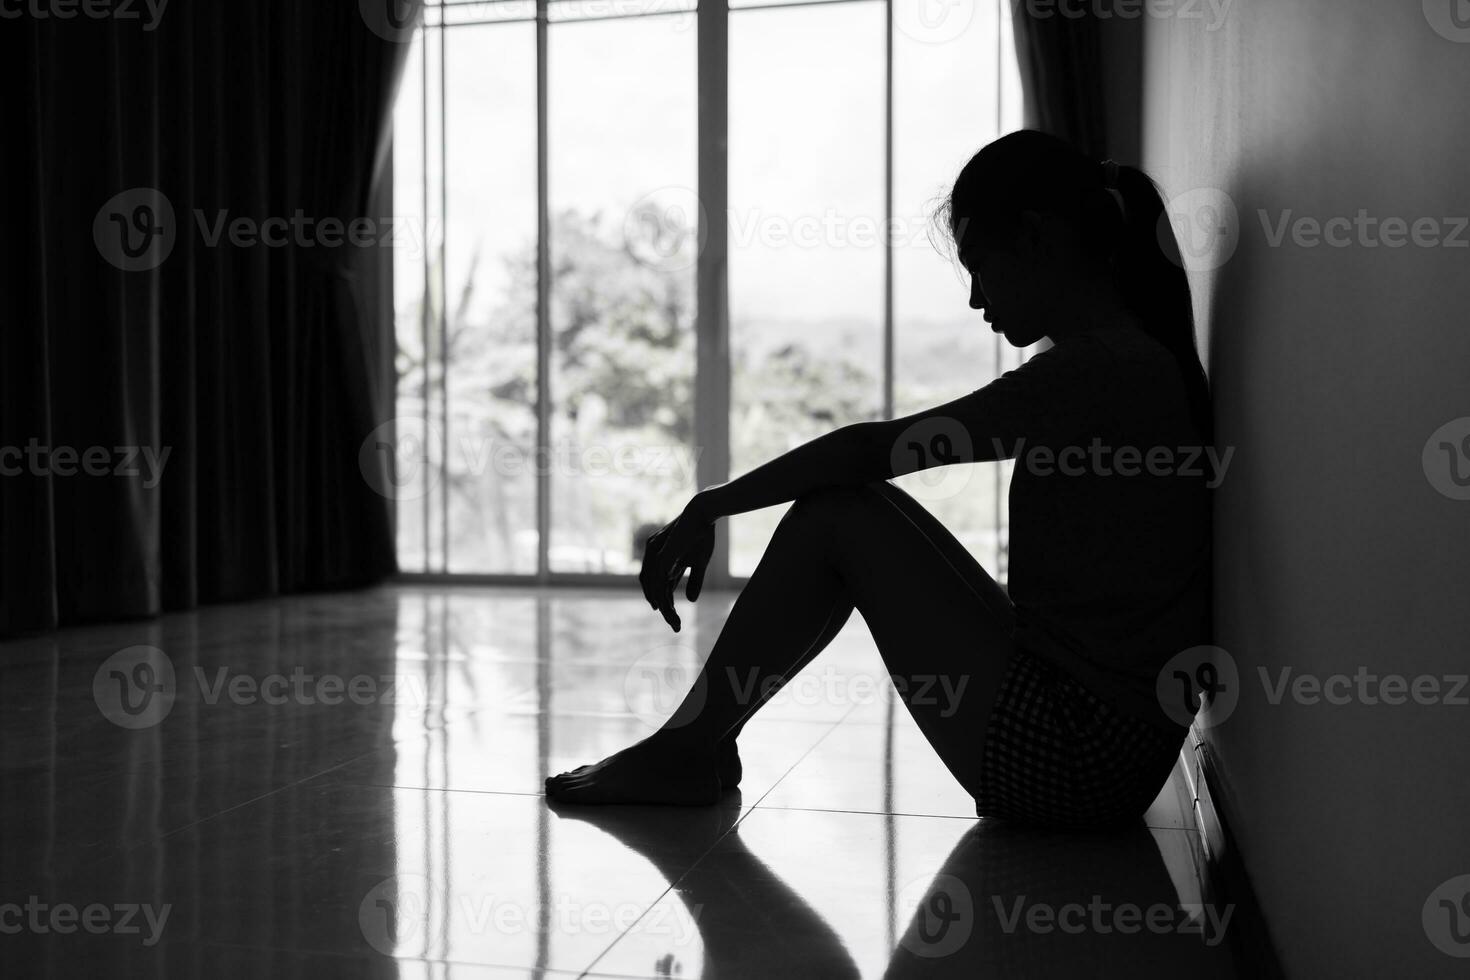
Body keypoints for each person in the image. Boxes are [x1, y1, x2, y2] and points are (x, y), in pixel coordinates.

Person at [545, 130, 1213, 828]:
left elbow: (878, 449)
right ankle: (699, 742)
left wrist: (713, 504)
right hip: (1101, 749)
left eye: (981, 265)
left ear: (1038, 240)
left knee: (840, 512)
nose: (976, 298)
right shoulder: (1126, 359)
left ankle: (685, 749)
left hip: (1073, 762)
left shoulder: (1101, 370)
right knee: (852, 507)